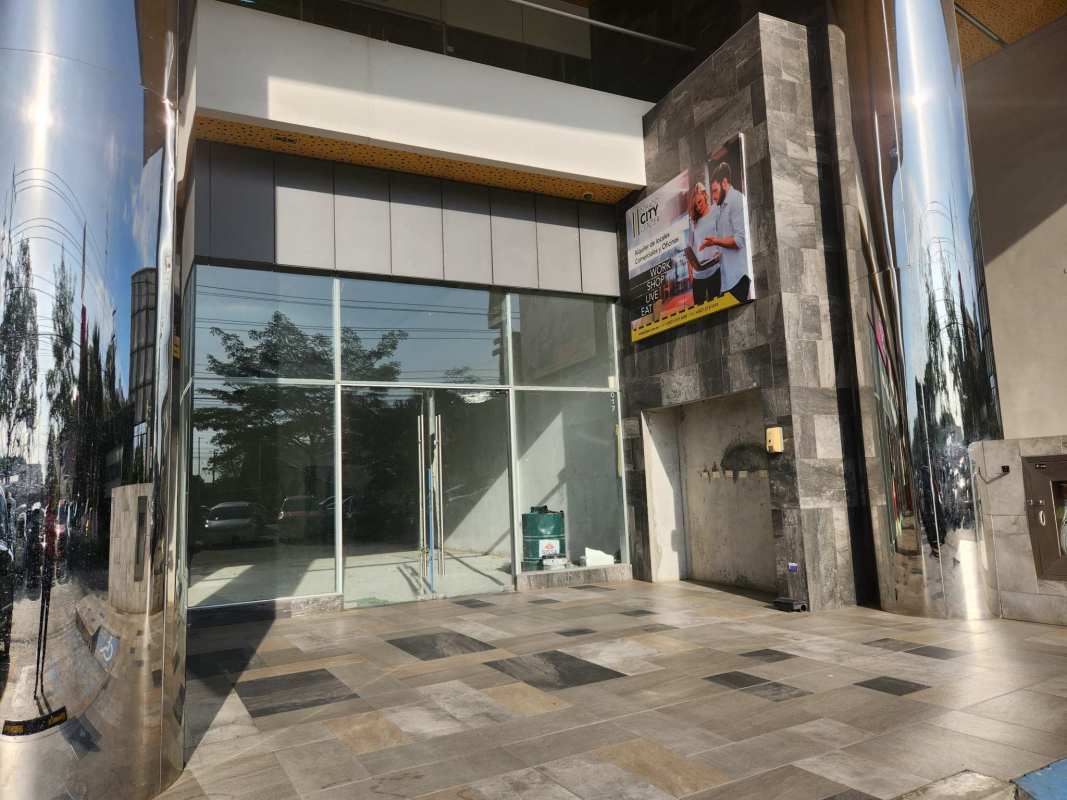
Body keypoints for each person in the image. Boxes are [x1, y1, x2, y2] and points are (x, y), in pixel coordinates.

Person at [700, 162, 751, 301]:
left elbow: (739, 241)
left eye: (715, 191)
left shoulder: (737, 200)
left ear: (724, 183)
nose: (713, 196)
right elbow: (725, 243)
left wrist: (715, 241)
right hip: (726, 282)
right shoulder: (720, 208)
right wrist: (716, 255)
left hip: (738, 278)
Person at [685, 182, 722, 305]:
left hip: (715, 270)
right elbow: (689, 246)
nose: (698, 207)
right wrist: (690, 269)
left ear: (705, 195)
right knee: (700, 312)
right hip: (698, 276)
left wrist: (721, 252)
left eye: (699, 202)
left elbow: (724, 234)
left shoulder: (716, 210)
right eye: (695, 206)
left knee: (717, 309)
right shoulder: (693, 222)